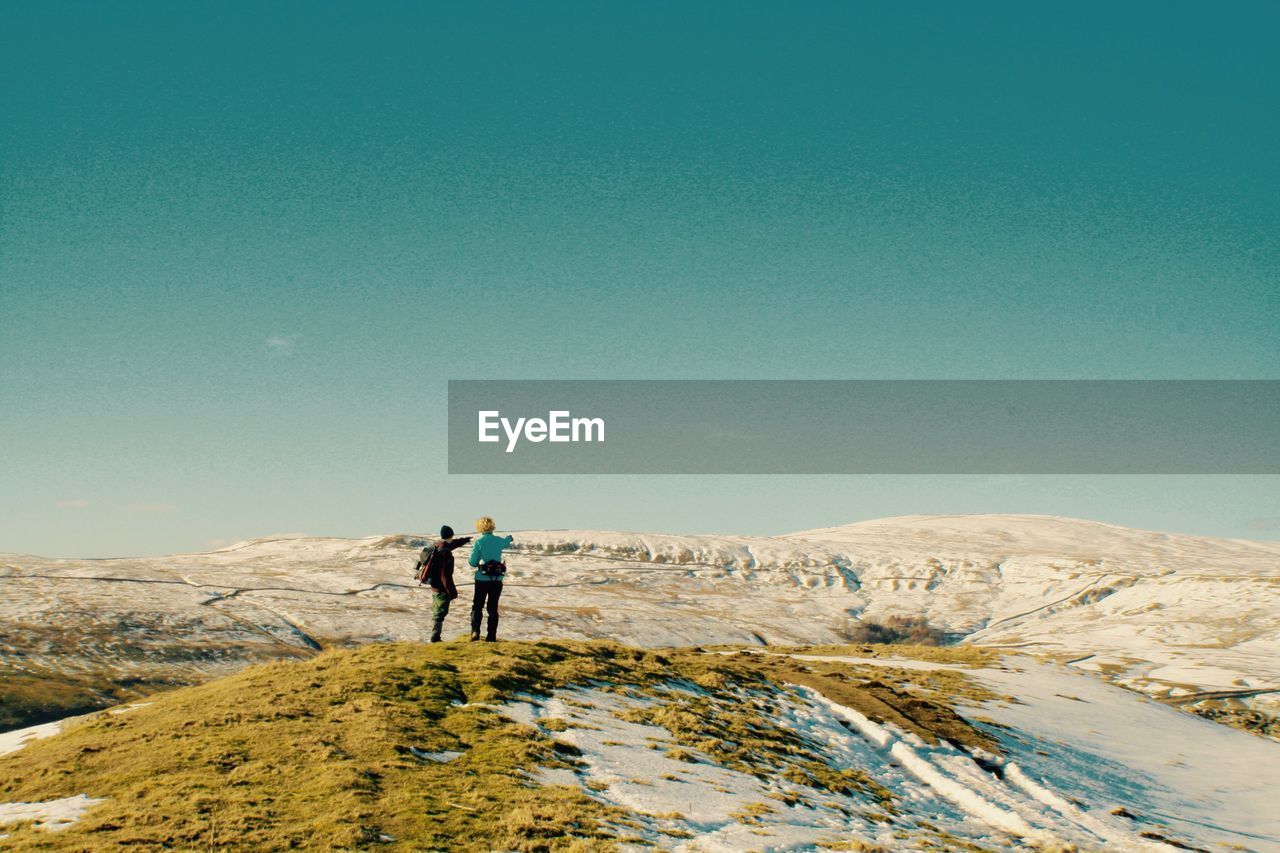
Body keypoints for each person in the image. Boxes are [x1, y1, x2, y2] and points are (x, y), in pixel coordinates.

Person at [418, 525, 473, 643]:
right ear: (451, 535)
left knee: (438, 610)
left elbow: (452, 544)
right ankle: (435, 637)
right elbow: (445, 575)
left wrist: (464, 540)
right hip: (441, 587)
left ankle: (435, 637)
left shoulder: (438, 545)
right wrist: (451, 591)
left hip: (434, 585)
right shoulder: (445, 552)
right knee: (440, 612)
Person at [467, 516, 513, 642]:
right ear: (493, 527)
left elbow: (472, 562)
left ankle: (475, 632)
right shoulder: (498, 541)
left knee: (477, 606)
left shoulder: (479, 542)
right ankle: (491, 636)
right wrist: (509, 538)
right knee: (492, 608)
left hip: (482, 579)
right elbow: (506, 541)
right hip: (496, 579)